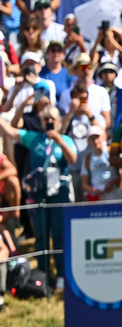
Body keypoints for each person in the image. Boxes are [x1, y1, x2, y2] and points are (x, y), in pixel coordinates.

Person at [0, 104, 75, 283]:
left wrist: (60, 141)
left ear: (58, 121)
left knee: (58, 234)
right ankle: (43, 274)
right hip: (39, 193)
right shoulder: (34, 138)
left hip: (59, 192)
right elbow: (11, 132)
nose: (49, 122)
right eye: (46, 119)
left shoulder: (65, 139)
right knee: (40, 235)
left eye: (52, 119)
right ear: (41, 121)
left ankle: (61, 276)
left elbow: (72, 159)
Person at [80, 125, 118, 201]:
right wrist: (92, 190)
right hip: (96, 195)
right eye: (92, 139)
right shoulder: (88, 158)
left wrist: (112, 183)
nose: (95, 141)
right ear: (88, 141)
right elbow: (84, 182)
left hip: (114, 191)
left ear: (104, 137)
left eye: (97, 137)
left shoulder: (112, 152)